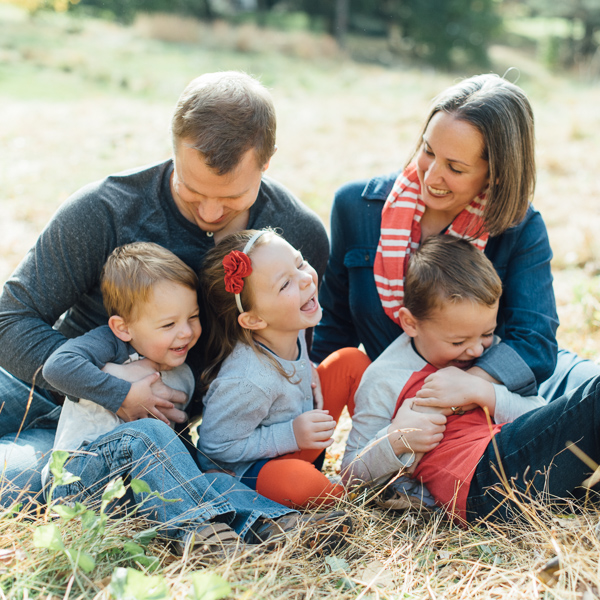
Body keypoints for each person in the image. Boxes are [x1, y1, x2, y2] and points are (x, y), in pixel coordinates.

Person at [0, 71, 329, 507]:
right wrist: (105, 383)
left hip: (138, 437)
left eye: (232, 198)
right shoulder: (105, 209)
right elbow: (11, 319)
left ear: (266, 164)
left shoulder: (295, 238)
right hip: (37, 386)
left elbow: (288, 353)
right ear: (173, 150)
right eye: (192, 191)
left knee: (17, 488)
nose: (210, 212)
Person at [39, 241, 348, 554]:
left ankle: (275, 524)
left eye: (193, 317)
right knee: (149, 433)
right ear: (123, 327)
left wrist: (207, 471)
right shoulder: (111, 345)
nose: (185, 332)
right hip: (79, 481)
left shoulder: (183, 368)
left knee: (215, 479)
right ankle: (197, 533)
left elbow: (171, 446)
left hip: (138, 493)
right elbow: (57, 367)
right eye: (168, 324)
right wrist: (125, 393)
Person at [312, 73, 599, 405]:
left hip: (490, 396)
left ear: (496, 173)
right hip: (397, 396)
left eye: (456, 168)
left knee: (591, 390)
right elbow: (333, 325)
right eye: (428, 151)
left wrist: (460, 390)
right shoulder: (356, 208)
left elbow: (533, 341)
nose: (431, 176)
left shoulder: (520, 227)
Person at [342, 235, 600, 524]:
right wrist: (396, 440)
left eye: (487, 334)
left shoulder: (486, 358)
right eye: (458, 341)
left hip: (530, 465)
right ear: (410, 323)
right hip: (482, 482)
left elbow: (539, 416)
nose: (477, 349)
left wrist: (483, 391)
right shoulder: (385, 378)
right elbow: (351, 474)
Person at [197, 229, 371, 509]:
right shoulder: (248, 379)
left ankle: (376, 452)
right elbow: (216, 448)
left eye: (300, 262)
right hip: (258, 472)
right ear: (254, 319)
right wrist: (290, 434)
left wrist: (309, 369)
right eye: (284, 284)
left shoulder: (290, 323)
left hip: (303, 439)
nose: (305, 279)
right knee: (299, 483)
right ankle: (343, 499)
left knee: (350, 361)